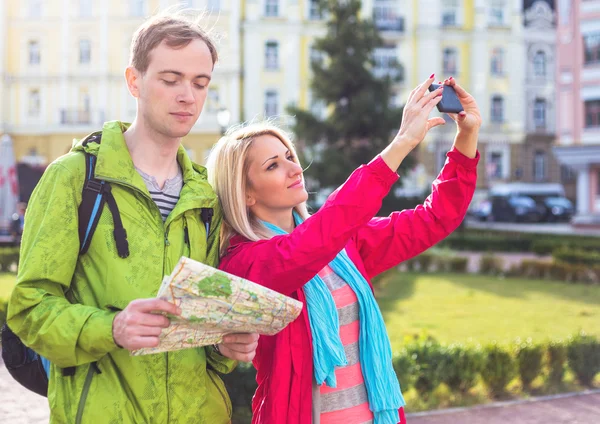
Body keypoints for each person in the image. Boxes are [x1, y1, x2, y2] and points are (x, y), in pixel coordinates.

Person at [8, 10, 258, 424]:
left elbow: (205, 332)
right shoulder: (73, 178)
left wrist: (226, 344)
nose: (188, 96)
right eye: (171, 79)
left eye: (200, 83)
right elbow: (29, 310)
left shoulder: (207, 198)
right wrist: (112, 328)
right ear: (134, 81)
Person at [206, 75, 482, 424]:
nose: (294, 169)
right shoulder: (246, 262)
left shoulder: (342, 246)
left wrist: (466, 138)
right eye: (273, 165)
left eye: (289, 155)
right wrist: (400, 144)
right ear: (245, 193)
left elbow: (435, 219)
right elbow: (307, 247)